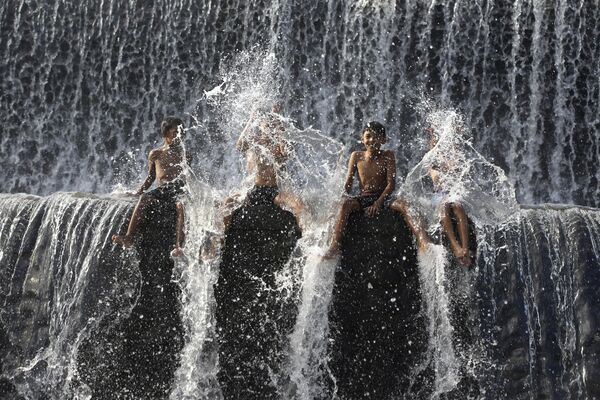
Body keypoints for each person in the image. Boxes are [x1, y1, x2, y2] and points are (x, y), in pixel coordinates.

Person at [324, 121, 430, 258]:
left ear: (383, 140)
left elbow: (390, 185)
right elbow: (348, 183)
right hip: (363, 197)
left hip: (384, 197)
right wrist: (341, 198)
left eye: (376, 137)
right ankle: (335, 245)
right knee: (345, 205)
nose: (372, 140)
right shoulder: (356, 156)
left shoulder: (388, 155)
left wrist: (378, 203)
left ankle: (423, 241)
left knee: (405, 205)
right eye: (368, 136)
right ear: (362, 139)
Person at [112, 116, 189, 257]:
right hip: (163, 190)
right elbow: (151, 177)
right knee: (144, 199)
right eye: (174, 133)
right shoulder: (156, 154)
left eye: (181, 133)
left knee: (180, 206)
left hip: (178, 188)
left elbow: (189, 177)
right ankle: (129, 237)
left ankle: (179, 247)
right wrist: (138, 192)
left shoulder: (185, 155)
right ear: (165, 135)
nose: (179, 137)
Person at [222, 103, 304, 231]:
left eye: (271, 126)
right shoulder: (256, 143)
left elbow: (286, 152)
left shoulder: (278, 147)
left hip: (274, 191)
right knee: (229, 202)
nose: (269, 129)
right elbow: (240, 145)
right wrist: (251, 119)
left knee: (298, 204)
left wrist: (277, 119)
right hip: (255, 190)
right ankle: (222, 238)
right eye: (266, 126)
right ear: (260, 127)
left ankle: (305, 238)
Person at [425, 126, 473, 267]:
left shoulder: (454, 163)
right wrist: (433, 135)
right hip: (439, 197)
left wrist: (454, 133)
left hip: (454, 195)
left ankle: (465, 248)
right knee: (444, 206)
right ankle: (456, 247)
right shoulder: (432, 168)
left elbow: (455, 152)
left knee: (457, 206)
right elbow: (432, 151)